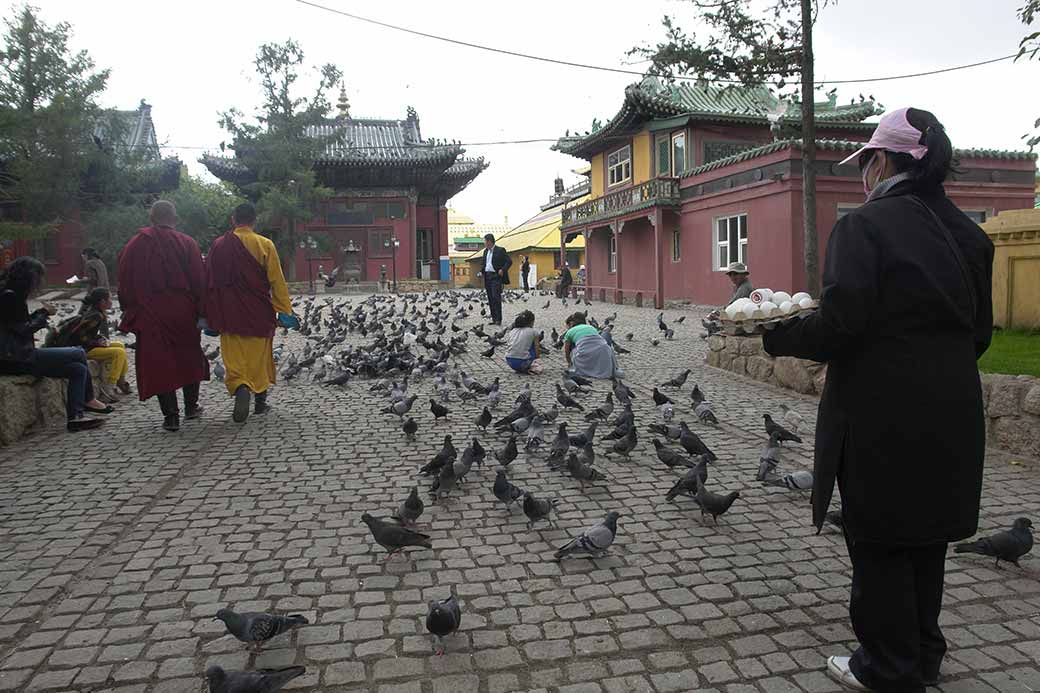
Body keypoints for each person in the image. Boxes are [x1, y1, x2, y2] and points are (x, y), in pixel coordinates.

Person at [762, 107, 992, 693]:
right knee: (927, 539)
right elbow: (980, 335)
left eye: (866, 161)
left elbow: (841, 325)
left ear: (884, 162)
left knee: (880, 541)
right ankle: (922, 655)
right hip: (951, 411)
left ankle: (885, 668)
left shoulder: (864, 227)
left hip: (881, 416)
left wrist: (776, 334)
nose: (863, 174)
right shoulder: (970, 235)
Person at [118, 200, 210, 432]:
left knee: (159, 362)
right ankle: (191, 407)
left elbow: (125, 282)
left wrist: (131, 310)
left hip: (150, 313)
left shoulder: (135, 245)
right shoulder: (187, 243)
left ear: (151, 218)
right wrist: (202, 312)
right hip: (183, 312)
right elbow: (200, 282)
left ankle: (171, 416)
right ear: (175, 219)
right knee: (188, 356)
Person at [205, 202, 294, 424]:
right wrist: (284, 311)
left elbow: (208, 281)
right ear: (254, 221)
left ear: (233, 220)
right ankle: (260, 403)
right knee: (260, 358)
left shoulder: (218, 245)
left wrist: (208, 313)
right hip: (258, 311)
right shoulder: (264, 244)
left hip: (228, 313)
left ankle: (240, 386)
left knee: (234, 357)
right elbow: (277, 281)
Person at [0, 257, 106, 432]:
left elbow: (18, 324)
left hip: (17, 355)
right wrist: (44, 315)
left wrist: (41, 312)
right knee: (78, 353)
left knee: (77, 369)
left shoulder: (10, 293)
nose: (38, 284)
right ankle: (89, 400)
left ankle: (76, 417)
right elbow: (24, 330)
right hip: (15, 357)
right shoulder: (9, 297)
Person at [45, 287, 131, 403]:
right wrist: (97, 343)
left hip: (87, 345)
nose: (111, 301)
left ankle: (121, 380)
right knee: (118, 352)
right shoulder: (95, 316)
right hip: (82, 350)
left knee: (120, 345)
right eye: (109, 299)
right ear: (102, 302)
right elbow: (79, 336)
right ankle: (109, 386)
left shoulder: (96, 312)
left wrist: (99, 338)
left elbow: (88, 333)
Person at [562, 312, 617, 380]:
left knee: (575, 346)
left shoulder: (569, 332)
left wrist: (569, 362)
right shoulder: (591, 327)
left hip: (584, 353)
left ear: (571, 323)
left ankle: (584, 368)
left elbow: (566, 350)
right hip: (604, 352)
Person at [479, 233, 511, 325]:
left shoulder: (500, 250)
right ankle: (494, 318)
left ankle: (498, 319)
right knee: (490, 298)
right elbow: (484, 264)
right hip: (487, 276)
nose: (484, 243)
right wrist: (481, 271)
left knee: (496, 297)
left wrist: (503, 269)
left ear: (489, 241)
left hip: (496, 276)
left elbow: (509, 261)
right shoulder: (485, 251)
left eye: (485, 241)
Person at [504, 310, 542, 374]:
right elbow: (537, 350)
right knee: (532, 345)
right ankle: (530, 366)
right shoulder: (533, 332)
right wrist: (537, 360)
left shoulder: (513, 331)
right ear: (531, 322)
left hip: (509, 361)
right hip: (523, 362)